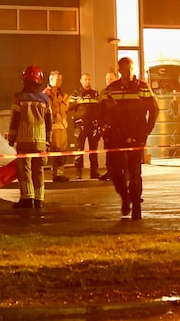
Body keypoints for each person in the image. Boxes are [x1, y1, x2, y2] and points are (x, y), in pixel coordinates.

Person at [100, 57, 159, 219]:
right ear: (120, 70)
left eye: (130, 70)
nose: (128, 73)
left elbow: (154, 109)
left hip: (136, 135)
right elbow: (101, 111)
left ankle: (136, 207)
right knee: (116, 173)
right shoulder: (111, 89)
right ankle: (125, 198)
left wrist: (146, 130)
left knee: (134, 173)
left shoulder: (142, 87)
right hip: (116, 136)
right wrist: (104, 129)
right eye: (125, 70)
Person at [7, 65, 51, 209]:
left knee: (24, 168)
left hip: (24, 139)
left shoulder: (19, 97)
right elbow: (49, 121)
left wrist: (11, 139)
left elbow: (15, 120)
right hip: (41, 140)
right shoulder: (45, 99)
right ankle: (39, 198)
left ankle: (27, 198)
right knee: (39, 169)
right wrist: (48, 140)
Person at [68, 72, 102, 179]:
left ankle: (94, 171)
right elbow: (68, 107)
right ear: (81, 81)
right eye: (85, 79)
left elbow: (100, 109)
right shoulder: (76, 94)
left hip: (92, 126)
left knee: (93, 150)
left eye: (89, 79)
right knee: (79, 150)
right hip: (80, 125)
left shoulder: (95, 94)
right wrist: (77, 102)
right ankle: (78, 172)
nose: (87, 81)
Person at [43, 70, 70, 181]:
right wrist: (56, 114)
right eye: (58, 79)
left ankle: (60, 173)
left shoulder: (62, 94)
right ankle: (56, 174)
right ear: (51, 79)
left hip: (62, 127)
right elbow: (48, 108)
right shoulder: (46, 94)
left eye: (61, 79)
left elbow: (65, 108)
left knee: (62, 150)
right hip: (53, 127)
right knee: (56, 150)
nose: (60, 81)